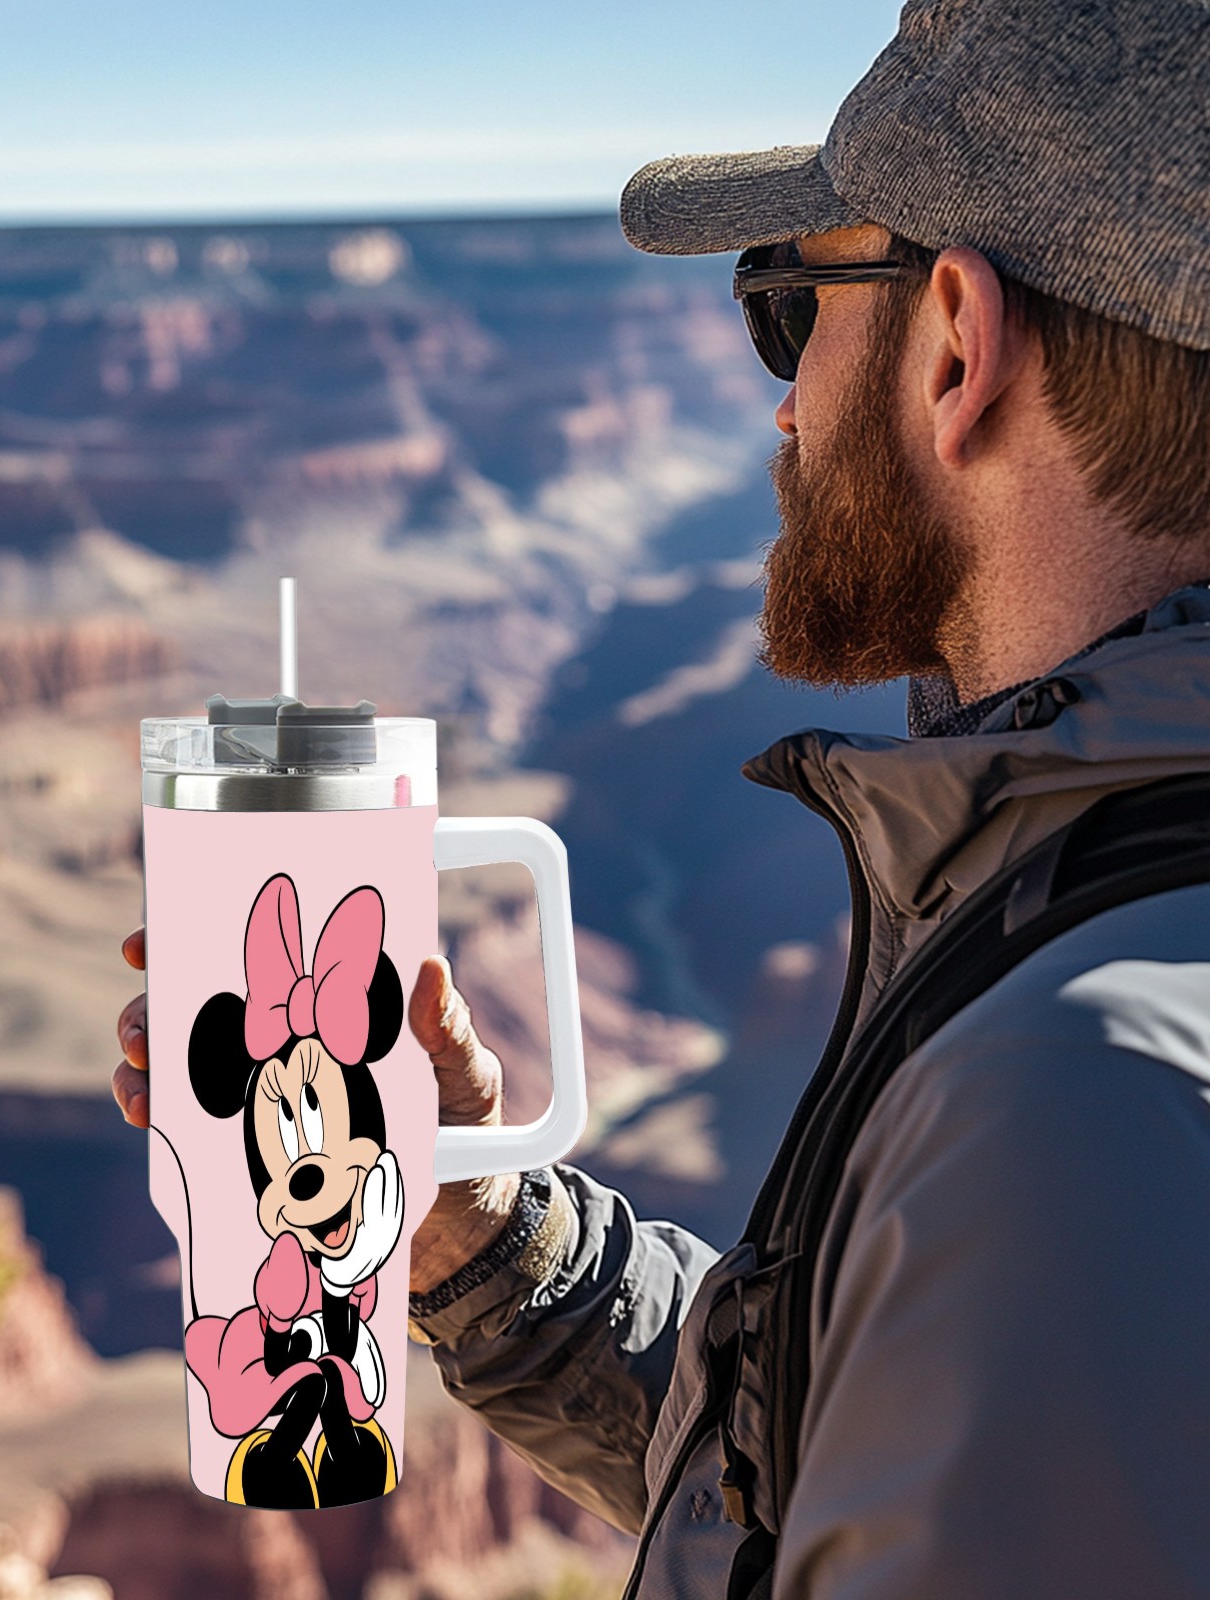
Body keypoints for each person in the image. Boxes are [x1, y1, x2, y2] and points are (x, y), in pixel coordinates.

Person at [115, 0, 1210, 1591]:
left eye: (792, 304)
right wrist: (470, 1221)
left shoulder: (1070, 1106)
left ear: (956, 344)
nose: (783, 402)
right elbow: (842, 1471)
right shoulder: (1102, 969)